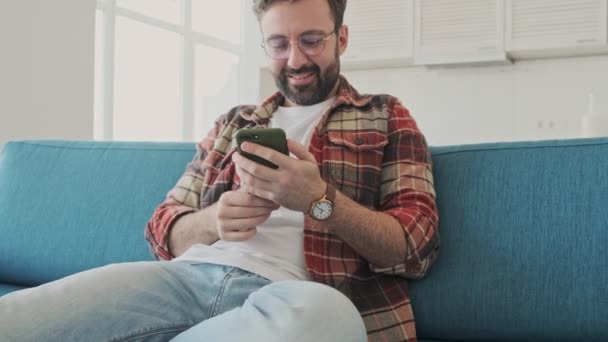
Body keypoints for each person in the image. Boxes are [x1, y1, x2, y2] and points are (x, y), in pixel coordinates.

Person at [0, 0, 439, 341]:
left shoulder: (385, 116)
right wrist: (214, 220)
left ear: (341, 38)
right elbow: (162, 229)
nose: (295, 60)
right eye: (279, 44)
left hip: (290, 298)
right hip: (184, 281)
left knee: (331, 320)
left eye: (311, 40)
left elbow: (413, 248)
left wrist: (318, 201)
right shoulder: (235, 122)